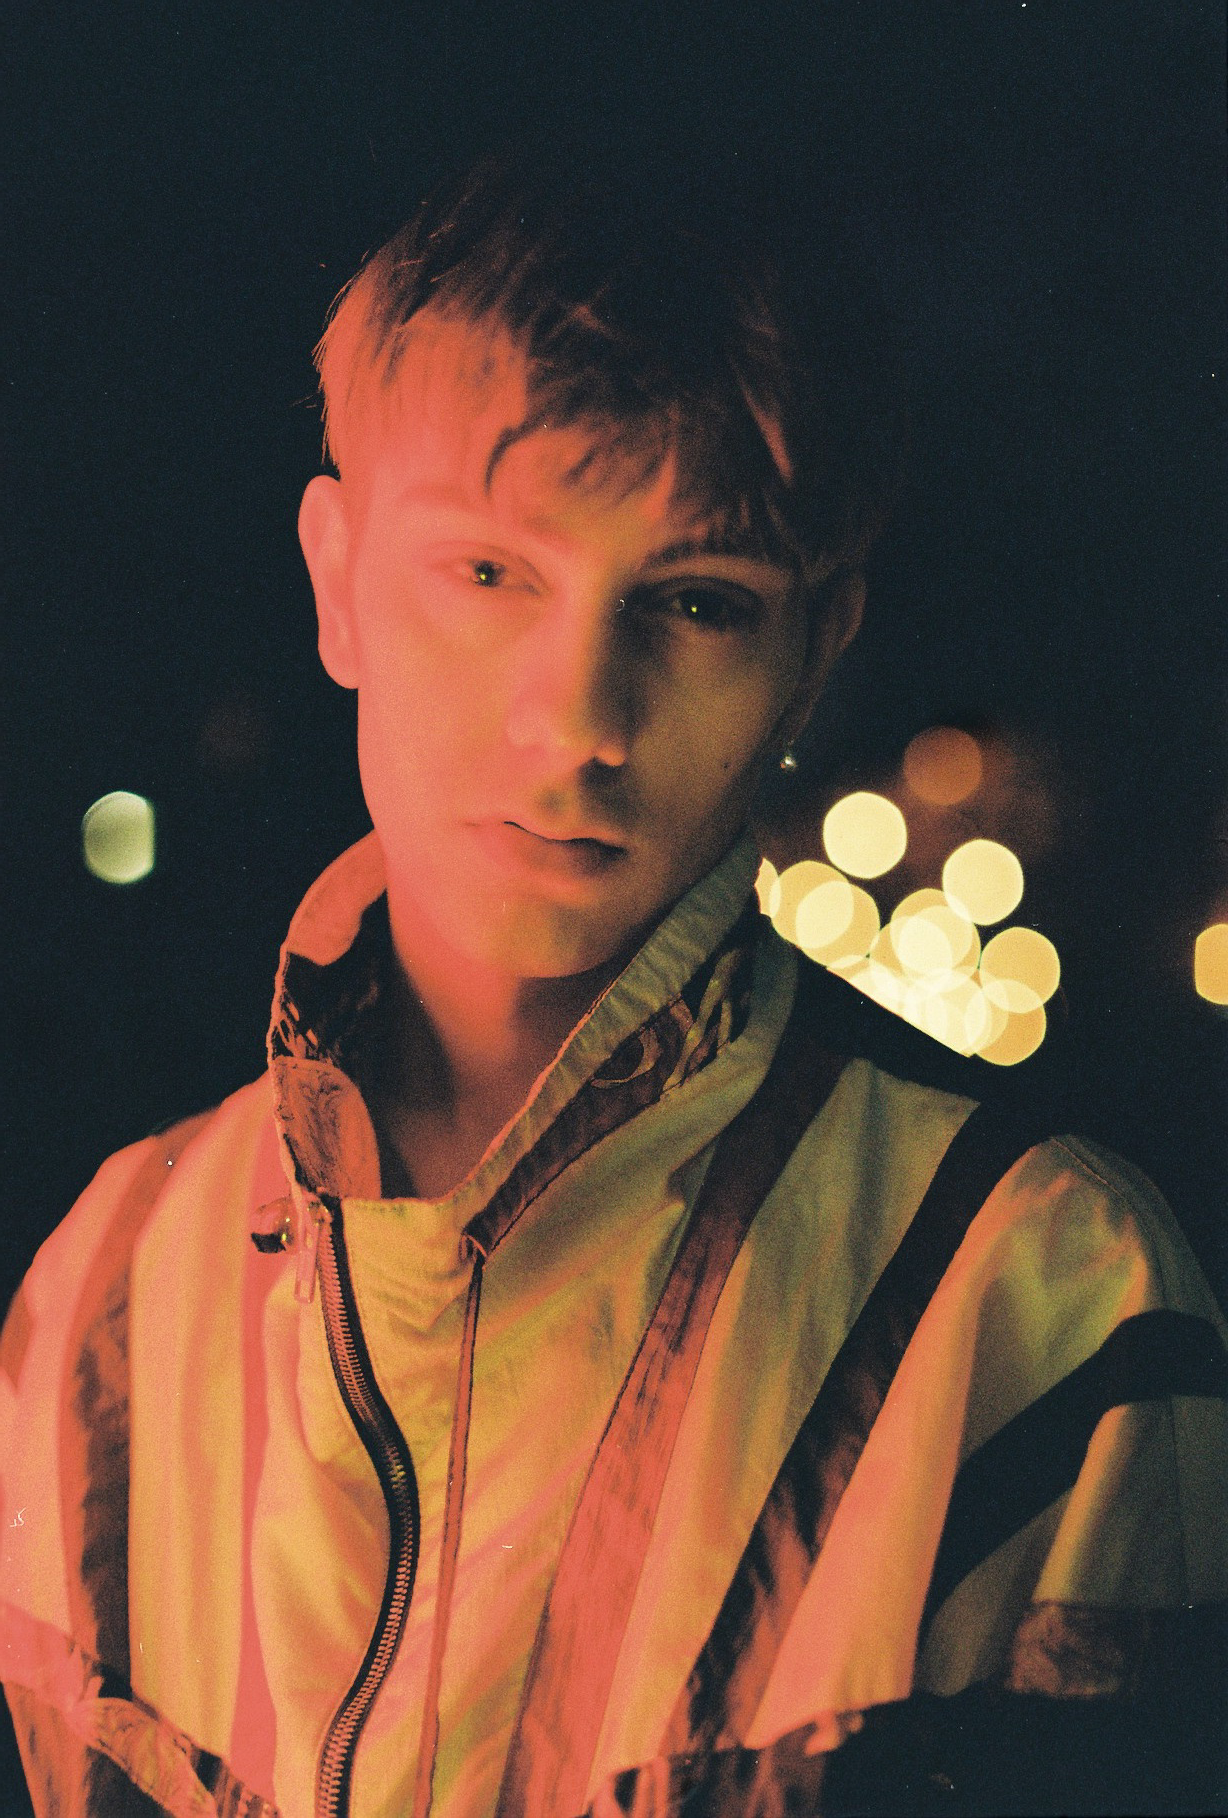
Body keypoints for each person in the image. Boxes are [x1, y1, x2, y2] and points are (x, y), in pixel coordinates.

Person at [1, 153, 1224, 1818]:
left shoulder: (1045, 1308)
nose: (579, 716)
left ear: (817, 650)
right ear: (337, 582)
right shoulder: (102, 1300)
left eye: (698, 603)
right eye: (489, 572)